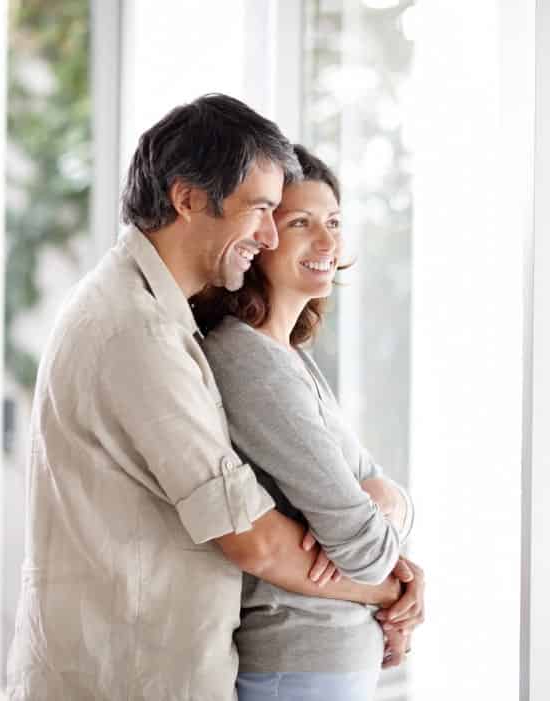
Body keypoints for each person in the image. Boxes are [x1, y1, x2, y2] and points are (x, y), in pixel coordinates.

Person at [6, 94, 421, 701]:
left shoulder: (163, 323)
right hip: (124, 676)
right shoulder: (137, 332)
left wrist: (388, 521)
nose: (271, 234)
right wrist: (391, 588)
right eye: (261, 210)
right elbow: (252, 537)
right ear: (189, 198)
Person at [192, 144, 419, 701]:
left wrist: (383, 501)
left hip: (325, 664)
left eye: (335, 222)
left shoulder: (291, 358)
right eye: (301, 222)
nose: (327, 242)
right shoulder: (248, 361)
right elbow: (363, 548)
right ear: (262, 237)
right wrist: (392, 581)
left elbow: (380, 502)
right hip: (297, 664)